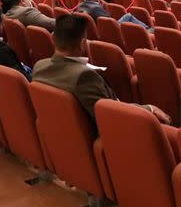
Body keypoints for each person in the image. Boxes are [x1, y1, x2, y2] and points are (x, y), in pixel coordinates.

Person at [33, 14, 171, 127]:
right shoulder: (84, 76)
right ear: (82, 44)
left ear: (53, 39)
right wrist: (149, 109)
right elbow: (110, 113)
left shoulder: (39, 67)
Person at [76, 0, 151, 29]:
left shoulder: (80, 6)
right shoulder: (96, 8)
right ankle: (147, 29)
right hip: (110, 29)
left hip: (97, 29)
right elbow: (109, 19)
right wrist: (102, 7)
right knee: (128, 16)